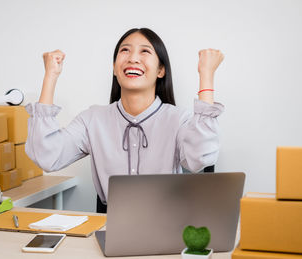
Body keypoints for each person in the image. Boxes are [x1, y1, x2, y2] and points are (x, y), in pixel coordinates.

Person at [25, 28, 224, 213]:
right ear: (114, 68)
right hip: (110, 224)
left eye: (145, 51)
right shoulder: (93, 119)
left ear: (161, 70)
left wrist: (206, 75)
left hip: (166, 222)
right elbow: (47, 157)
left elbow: (202, 157)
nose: (133, 59)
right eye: (125, 51)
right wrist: (50, 76)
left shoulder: (178, 119)